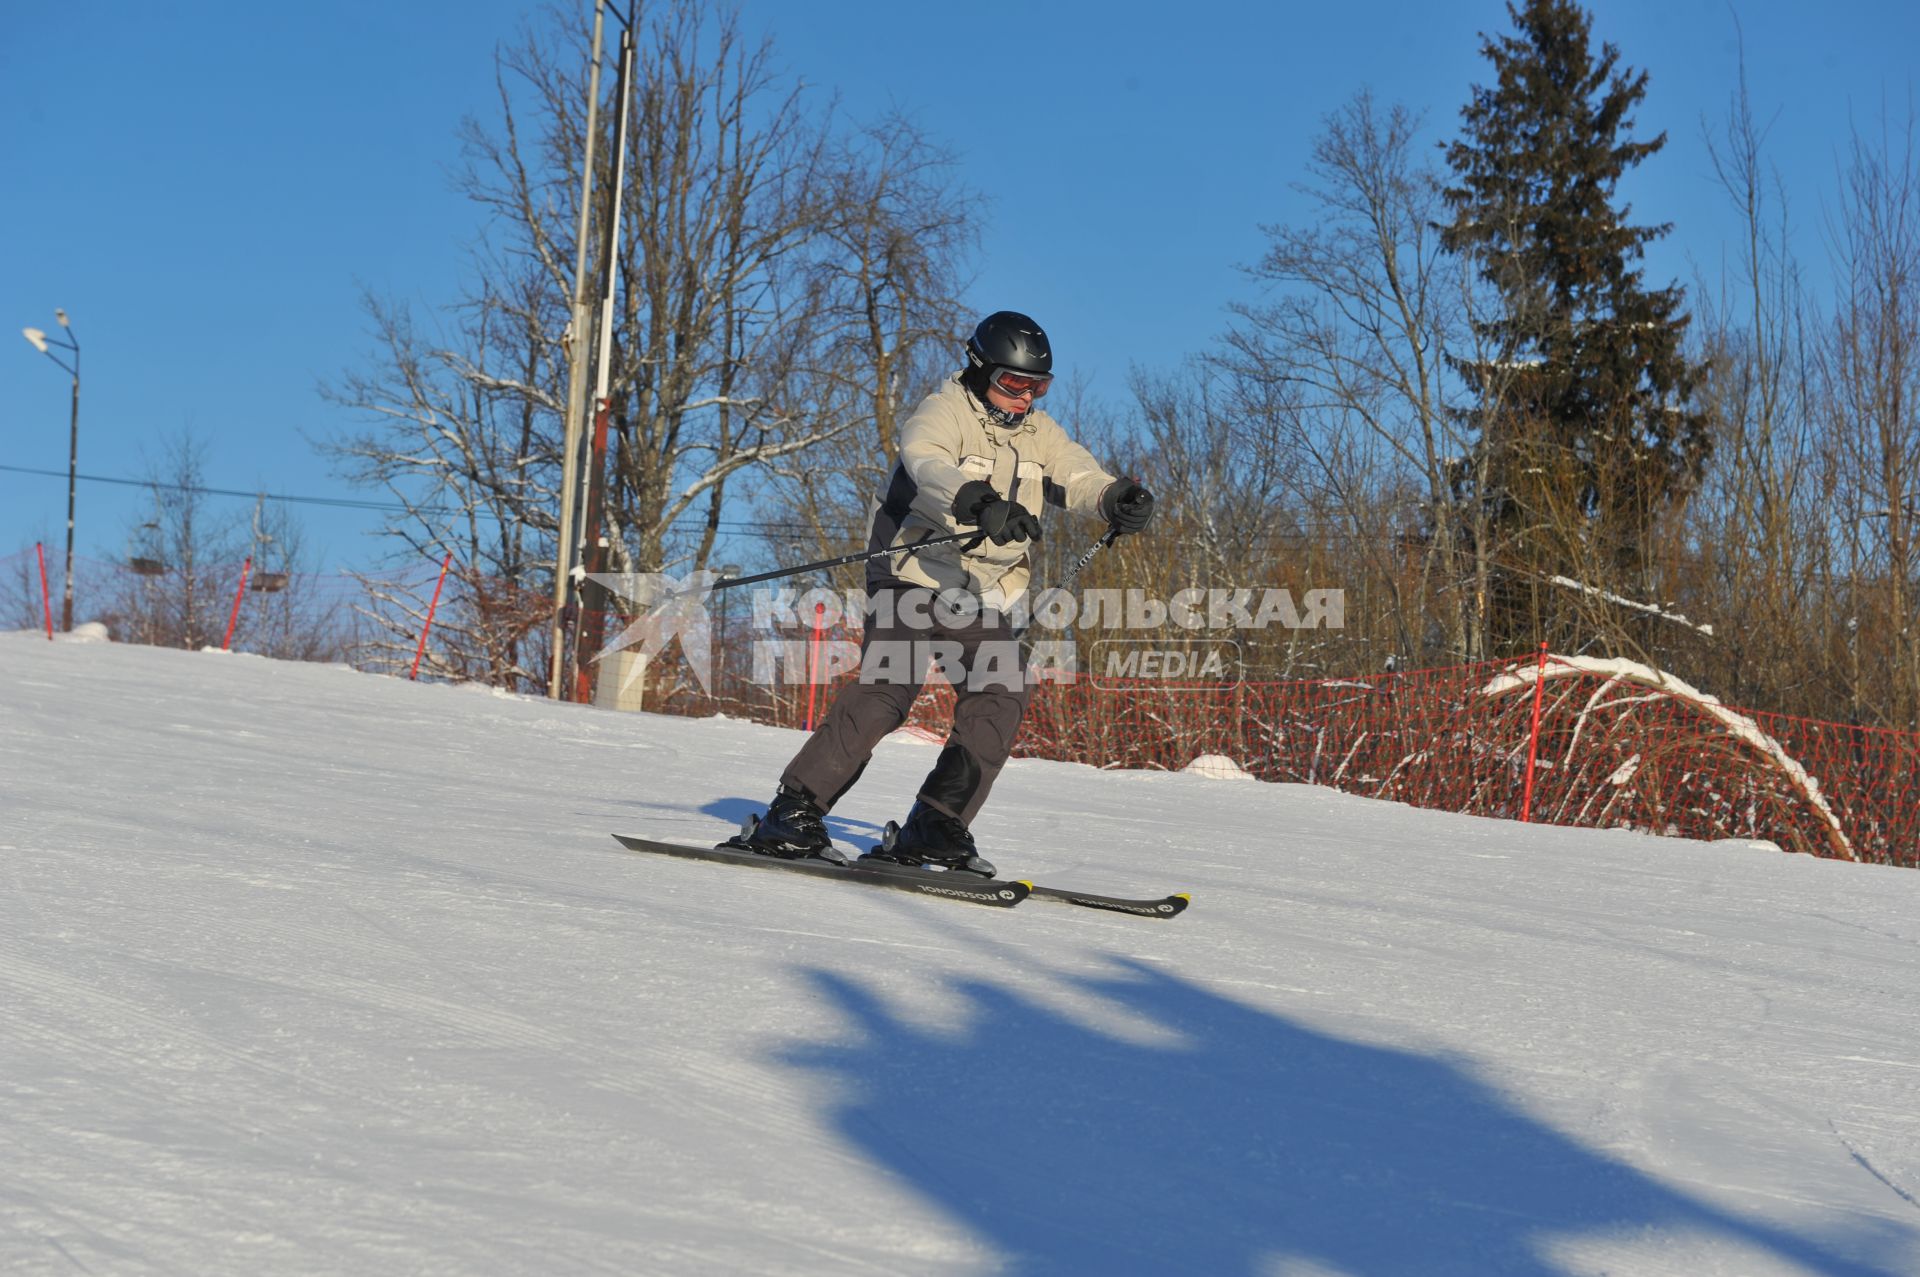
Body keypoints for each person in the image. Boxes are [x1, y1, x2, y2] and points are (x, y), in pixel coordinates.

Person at [733, 310, 1155, 877]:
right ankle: (794, 810)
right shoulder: (942, 412)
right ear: (980, 371)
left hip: (980, 590)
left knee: (1003, 691)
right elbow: (929, 466)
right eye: (1013, 383)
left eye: (1037, 386)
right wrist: (979, 503)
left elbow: (1077, 476)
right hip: (909, 570)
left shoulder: (1038, 433)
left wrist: (1116, 497)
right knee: (890, 687)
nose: (1024, 397)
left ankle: (934, 823)